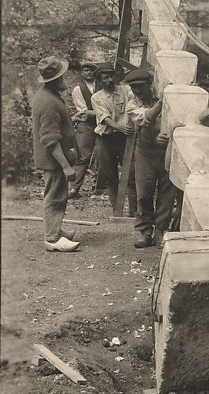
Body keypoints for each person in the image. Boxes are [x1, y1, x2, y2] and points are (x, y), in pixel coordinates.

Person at [32, 56, 80, 252]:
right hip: (54, 161)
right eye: (62, 77)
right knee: (55, 197)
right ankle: (52, 238)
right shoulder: (48, 101)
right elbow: (50, 139)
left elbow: (54, 125)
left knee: (57, 195)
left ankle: (56, 229)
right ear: (55, 80)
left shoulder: (48, 95)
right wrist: (66, 166)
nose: (64, 80)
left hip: (54, 160)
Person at [125, 69, 175, 248]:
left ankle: (160, 230)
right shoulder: (132, 105)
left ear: (149, 84)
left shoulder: (169, 98)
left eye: (140, 87)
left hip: (167, 151)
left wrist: (169, 136)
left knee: (166, 193)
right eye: (133, 87)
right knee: (144, 193)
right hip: (145, 152)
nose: (137, 91)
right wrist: (163, 101)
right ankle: (145, 231)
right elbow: (146, 118)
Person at [91, 64, 137, 216]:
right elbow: (105, 119)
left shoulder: (125, 90)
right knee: (111, 176)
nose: (110, 80)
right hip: (106, 139)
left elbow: (134, 103)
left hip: (125, 139)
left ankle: (133, 211)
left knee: (130, 174)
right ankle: (116, 211)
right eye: (105, 78)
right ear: (99, 80)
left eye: (111, 76)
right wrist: (120, 127)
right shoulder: (97, 97)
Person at [69, 61, 98, 198]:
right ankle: (74, 188)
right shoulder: (78, 89)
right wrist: (103, 113)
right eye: (86, 70)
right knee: (83, 157)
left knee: (103, 155)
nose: (89, 73)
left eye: (91, 70)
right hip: (86, 125)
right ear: (82, 73)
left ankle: (100, 186)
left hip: (102, 124)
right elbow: (84, 112)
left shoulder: (100, 86)